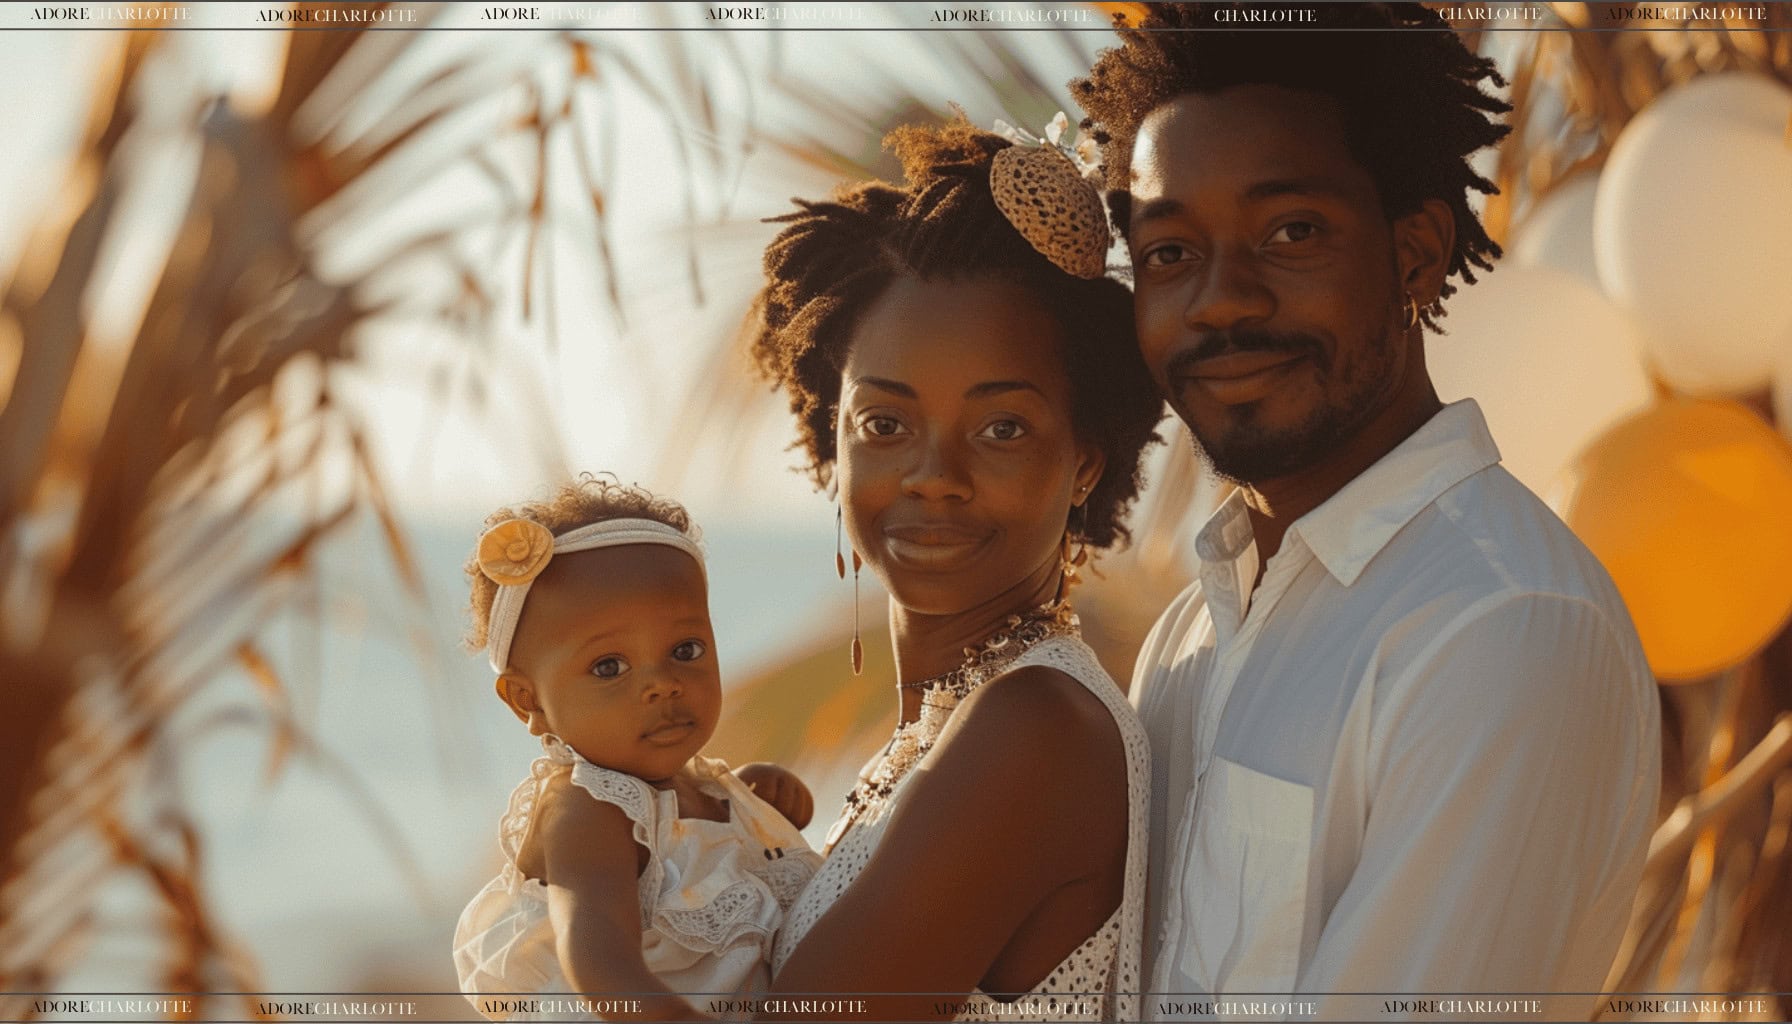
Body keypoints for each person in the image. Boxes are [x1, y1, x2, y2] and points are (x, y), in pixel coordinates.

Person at [1072, 4, 1661, 1019]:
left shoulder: (1502, 624)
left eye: (1290, 232)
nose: (1220, 299)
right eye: (1169, 252)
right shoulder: (1186, 636)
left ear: (1415, 254)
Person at [749, 115, 1164, 1021]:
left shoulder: (1034, 729)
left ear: (1085, 461)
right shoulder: (949, 725)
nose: (933, 474)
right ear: (833, 437)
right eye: (885, 424)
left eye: (1001, 428)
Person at [452, 477, 822, 1022]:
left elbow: (701, 852)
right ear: (527, 700)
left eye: (686, 650)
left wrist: (755, 807)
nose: (662, 684)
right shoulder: (588, 810)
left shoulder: (703, 791)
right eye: (609, 667)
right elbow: (599, 960)